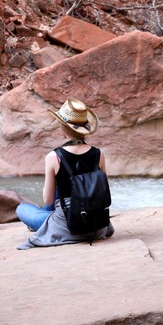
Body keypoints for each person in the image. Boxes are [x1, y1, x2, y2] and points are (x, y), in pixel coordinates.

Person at [17, 99, 115, 249]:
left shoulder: (53, 157)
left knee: (22, 209)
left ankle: (48, 225)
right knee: (61, 193)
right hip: (97, 225)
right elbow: (103, 192)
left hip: (69, 225)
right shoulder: (98, 154)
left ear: (62, 128)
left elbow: (48, 200)